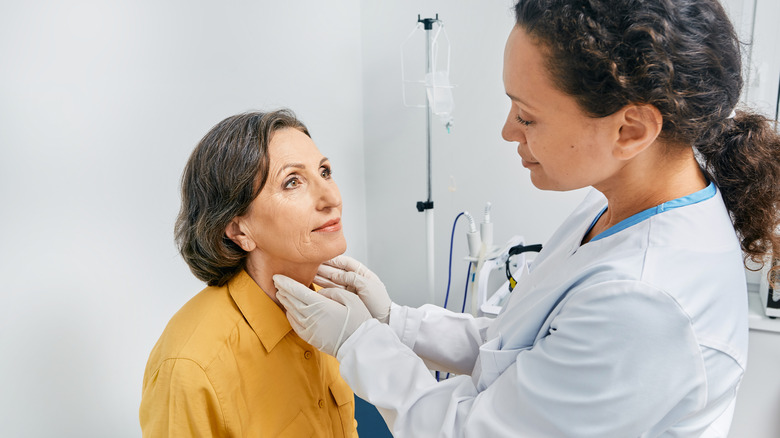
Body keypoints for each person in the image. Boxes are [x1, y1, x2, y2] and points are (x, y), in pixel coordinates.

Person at [273, 0, 780, 436]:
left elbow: (472, 431)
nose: (507, 131)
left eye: (527, 115)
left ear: (630, 130)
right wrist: (397, 322)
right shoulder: (617, 205)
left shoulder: (648, 303)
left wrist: (359, 341)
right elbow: (513, 348)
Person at [139, 110, 361, 437]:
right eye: (292, 182)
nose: (332, 198)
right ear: (238, 229)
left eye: (324, 172)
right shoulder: (190, 366)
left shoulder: (326, 314)